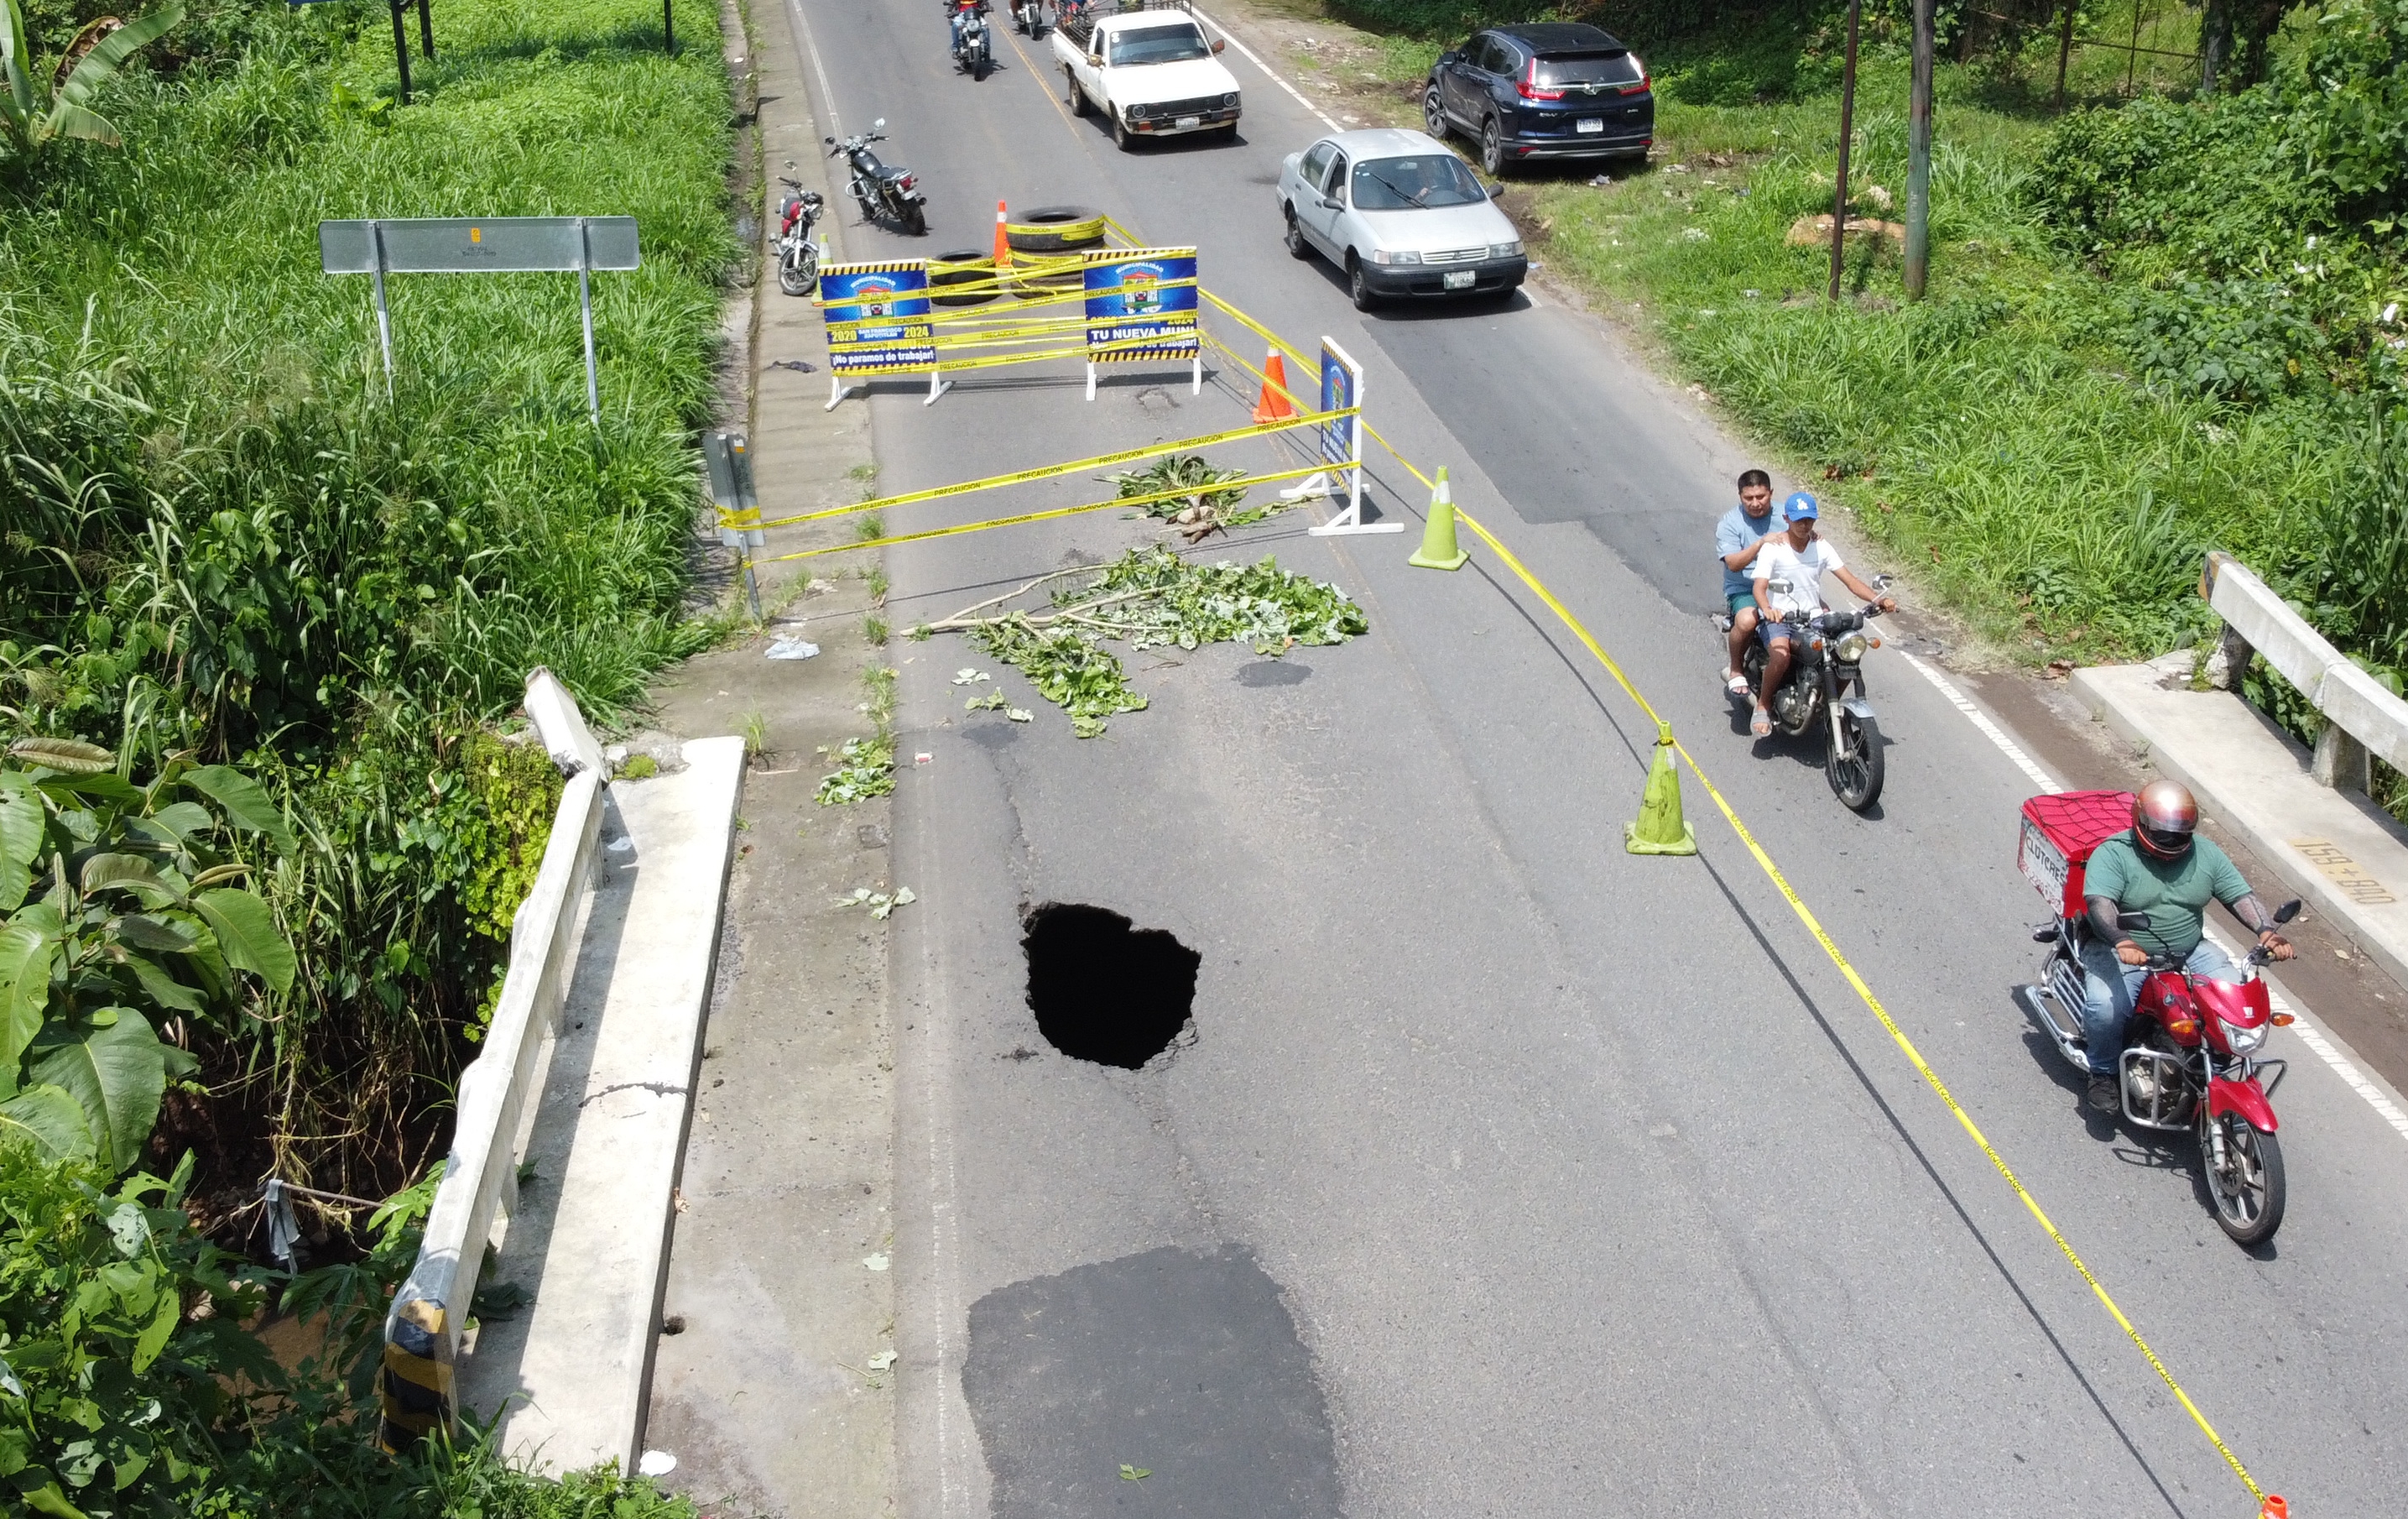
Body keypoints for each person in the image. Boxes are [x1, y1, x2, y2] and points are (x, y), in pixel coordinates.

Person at [2077, 779, 2294, 1114]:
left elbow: (2240, 895)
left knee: (2235, 995)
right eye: (2162, 833)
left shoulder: (2205, 854)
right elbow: (2099, 903)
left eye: (2180, 834)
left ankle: (2215, 1063)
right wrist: (2122, 940)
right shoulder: (2114, 853)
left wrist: (2266, 931)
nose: (2171, 840)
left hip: (2189, 950)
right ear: (2141, 823)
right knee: (2106, 1007)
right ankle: (2103, 1073)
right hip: (2124, 952)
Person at [1747, 493, 1894, 738]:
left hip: (1814, 618)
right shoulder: (1774, 548)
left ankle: (1825, 702)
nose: (1804, 526)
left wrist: (1879, 600)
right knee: (1781, 655)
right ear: (1786, 519)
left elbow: (1850, 581)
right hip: (1782, 619)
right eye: (1799, 520)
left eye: (1809, 520)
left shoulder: (1820, 545)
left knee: (1846, 656)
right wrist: (1768, 609)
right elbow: (1759, 587)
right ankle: (1763, 704)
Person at [1715, 469, 1784, 697]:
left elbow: (1805, 534)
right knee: (1746, 621)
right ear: (1740, 496)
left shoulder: (1786, 516)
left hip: (1782, 585)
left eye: (1761, 497)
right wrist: (1760, 544)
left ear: (1771, 493)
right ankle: (1736, 668)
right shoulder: (1730, 523)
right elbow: (1733, 564)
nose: (1755, 503)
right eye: (1749, 498)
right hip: (1745, 588)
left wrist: (1813, 535)